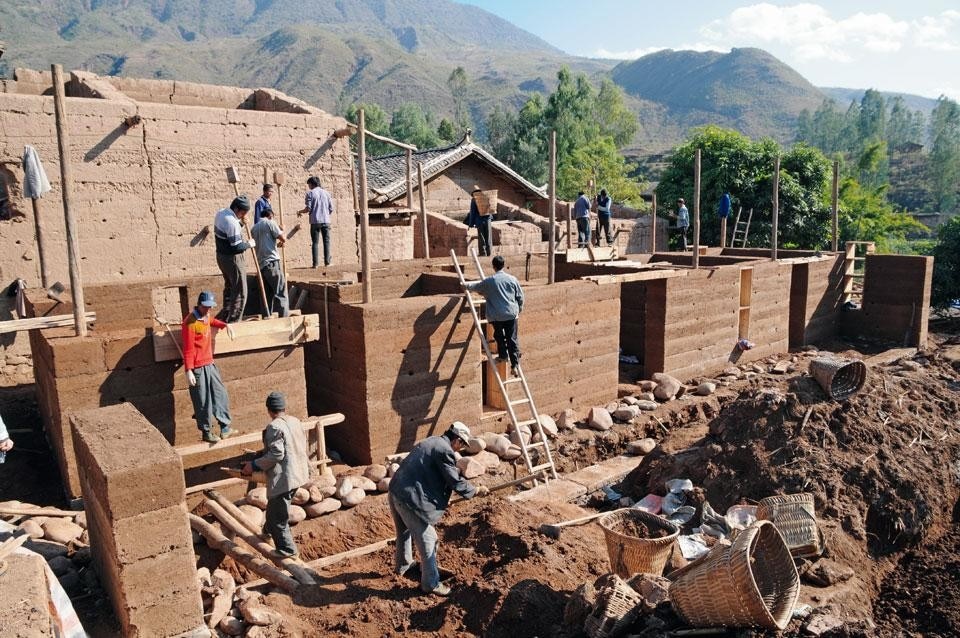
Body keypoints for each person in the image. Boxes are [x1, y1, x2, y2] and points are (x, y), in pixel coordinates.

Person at [388, 422, 489, 596]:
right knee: (429, 538)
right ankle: (431, 583)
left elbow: (429, 476)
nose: (461, 449)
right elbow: (455, 481)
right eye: (462, 444)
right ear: (456, 439)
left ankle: (404, 565)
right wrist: (476, 490)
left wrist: (441, 499)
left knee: (404, 533)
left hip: (396, 489)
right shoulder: (445, 451)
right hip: (408, 499)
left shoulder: (433, 441)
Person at [242, 392, 309, 559]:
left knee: (278, 518)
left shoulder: (274, 427)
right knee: (274, 509)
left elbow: (277, 455)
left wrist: (254, 465)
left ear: (269, 410)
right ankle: (267, 532)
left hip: (285, 478)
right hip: (299, 473)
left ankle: (288, 551)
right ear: (284, 407)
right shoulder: (295, 421)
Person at [182, 291, 236, 443]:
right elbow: (188, 348)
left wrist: (225, 325)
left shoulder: (205, 316)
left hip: (209, 363)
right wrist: (189, 370)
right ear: (199, 304)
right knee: (202, 400)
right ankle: (206, 432)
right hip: (198, 367)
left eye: (210, 307)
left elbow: (211, 321)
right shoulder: (190, 323)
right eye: (206, 307)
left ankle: (225, 427)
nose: (208, 310)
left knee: (220, 394)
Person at [464, 255, 524, 377]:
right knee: (512, 339)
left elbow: (475, 287)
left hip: (497, 315)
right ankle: (515, 365)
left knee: (498, 335)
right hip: (511, 314)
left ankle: (503, 356)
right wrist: (519, 309)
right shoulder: (512, 279)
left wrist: (464, 285)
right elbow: (520, 297)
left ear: (494, 266)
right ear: (503, 265)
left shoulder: (490, 281)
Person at [214, 196, 255, 323]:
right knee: (240, 292)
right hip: (232, 259)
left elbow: (228, 234)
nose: (243, 215)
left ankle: (225, 316)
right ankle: (234, 321)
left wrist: (241, 223)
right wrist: (249, 243)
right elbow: (237, 247)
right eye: (242, 213)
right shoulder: (232, 222)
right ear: (236, 208)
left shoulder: (221, 213)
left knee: (230, 288)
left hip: (221, 257)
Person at [251, 206, 289, 318]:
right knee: (281, 291)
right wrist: (283, 229)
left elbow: (264, 243)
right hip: (272, 263)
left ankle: (266, 317)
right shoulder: (270, 223)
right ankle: (284, 319)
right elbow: (283, 238)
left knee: (266, 296)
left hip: (261, 265)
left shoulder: (254, 228)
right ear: (270, 216)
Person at [297, 176, 334, 268]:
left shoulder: (310, 193)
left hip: (315, 221)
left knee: (315, 242)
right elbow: (331, 209)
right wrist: (325, 214)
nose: (308, 186)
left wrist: (300, 212)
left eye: (309, 184)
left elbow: (308, 208)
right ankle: (327, 262)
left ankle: (315, 264)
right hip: (326, 220)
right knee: (326, 241)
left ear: (312, 184)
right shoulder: (327, 193)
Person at [465, 185, 492, 257]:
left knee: (481, 237)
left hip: (479, 220)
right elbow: (491, 208)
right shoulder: (486, 197)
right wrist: (490, 218)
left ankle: (483, 253)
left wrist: (470, 224)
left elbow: (472, 212)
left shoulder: (474, 199)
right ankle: (489, 252)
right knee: (488, 236)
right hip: (487, 219)